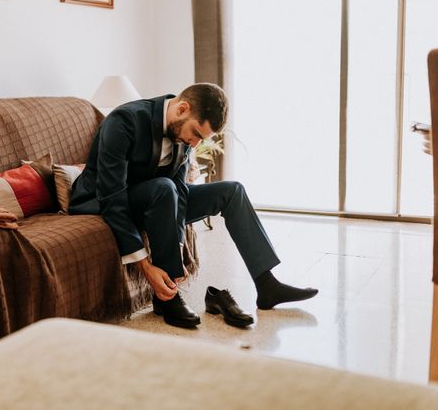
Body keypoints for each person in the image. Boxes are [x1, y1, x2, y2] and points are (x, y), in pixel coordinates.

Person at [70, 83, 318, 328]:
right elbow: (112, 196)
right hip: (100, 200)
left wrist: (177, 241)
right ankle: (166, 297)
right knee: (163, 188)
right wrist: (146, 267)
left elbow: (180, 191)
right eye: (197, 134)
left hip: (157, 199)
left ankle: (267, 285)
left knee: (232, 191)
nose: (195, 144)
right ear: (182, 109)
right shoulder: (124, 121)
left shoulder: (183, 135)